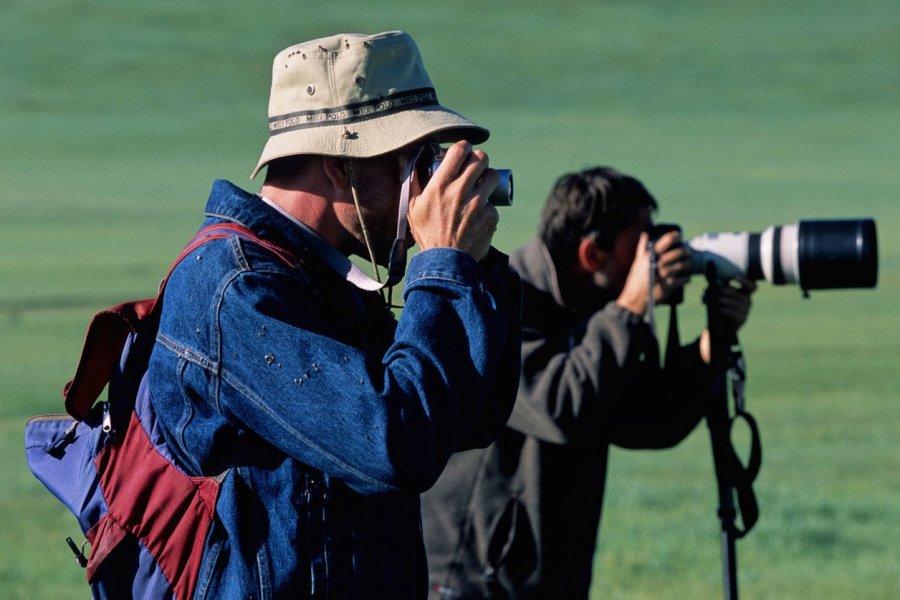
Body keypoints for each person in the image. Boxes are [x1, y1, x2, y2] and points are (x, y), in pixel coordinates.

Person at [147, 31, 521, 598]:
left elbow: (473, 416)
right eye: (412, 158)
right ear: (337, 164)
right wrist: (441, 264)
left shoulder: (326, 280)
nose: (426, 182)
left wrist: (475, 266)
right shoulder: (236, 288)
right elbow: (395, 447)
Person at [421, 166, 756, 599]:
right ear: (591, 254)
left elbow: (646, 420)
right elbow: (562, 404)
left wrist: (711, 345)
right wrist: (631, 306)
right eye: (638, 247)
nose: (649, 260)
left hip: (546, 583)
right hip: (468, 582)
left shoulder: (595, 313)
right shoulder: (502, 305)